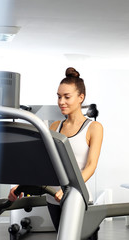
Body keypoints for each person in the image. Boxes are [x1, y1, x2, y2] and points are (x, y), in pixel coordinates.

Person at [8, 67, 103, 238]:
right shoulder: (54, 127)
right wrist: (21, 185)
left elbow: (91, 166)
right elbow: (43, 163)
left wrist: (70, 188)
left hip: (77, 199)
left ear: (81, 98)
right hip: (54, 199)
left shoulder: (94, 128)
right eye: (59, 96)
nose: (61, 101)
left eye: (67, 97)